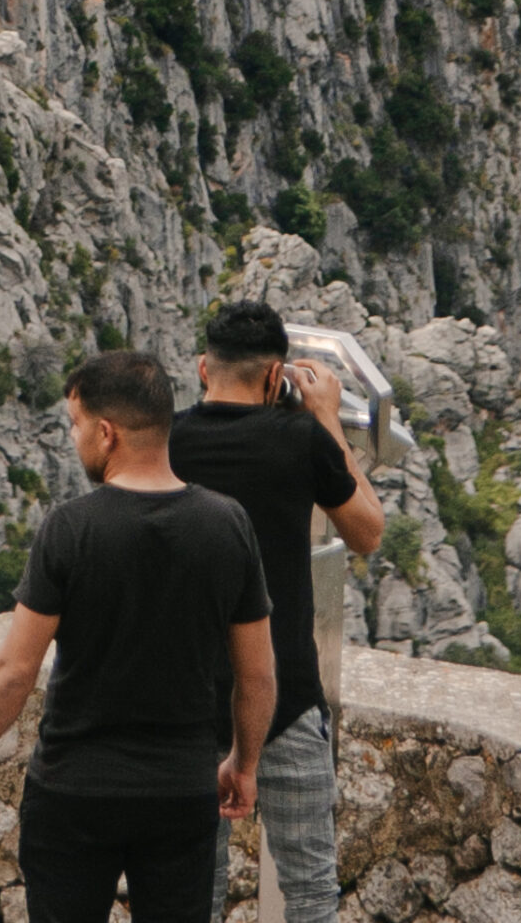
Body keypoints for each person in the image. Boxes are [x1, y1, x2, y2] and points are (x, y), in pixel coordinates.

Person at [0, 350, 277, 923]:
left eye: (74, 426)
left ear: (106, 432)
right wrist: (243, 765)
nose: (74, 440)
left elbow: (15, 669)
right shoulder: (228, 524)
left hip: (74, 791)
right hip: (181, 790)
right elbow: (258, 673)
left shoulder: (70, 529)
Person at [170, 301, 386, 923]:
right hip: (286, 695)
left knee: (192, 894)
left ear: (203, 367)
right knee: (311, 889)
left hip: (187, 703)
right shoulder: (300, 443)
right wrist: (323, 419)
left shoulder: (168, 440)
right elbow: (367, 532)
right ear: (275, 378)